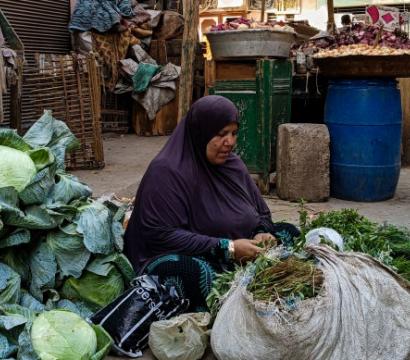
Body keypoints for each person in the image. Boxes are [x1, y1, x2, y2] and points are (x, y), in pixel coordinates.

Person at [124, 95, 299, 311]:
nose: (231, 142)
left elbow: (261, 211)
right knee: (198, 275)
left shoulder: (233, 166)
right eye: (221, 134)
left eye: (234, 133)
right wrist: (228, 248)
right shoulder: (167, 172)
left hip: (239, 246)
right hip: (182, 254)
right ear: (201, 133)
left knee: (289, 232)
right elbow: (161, 235)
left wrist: (262, 232)